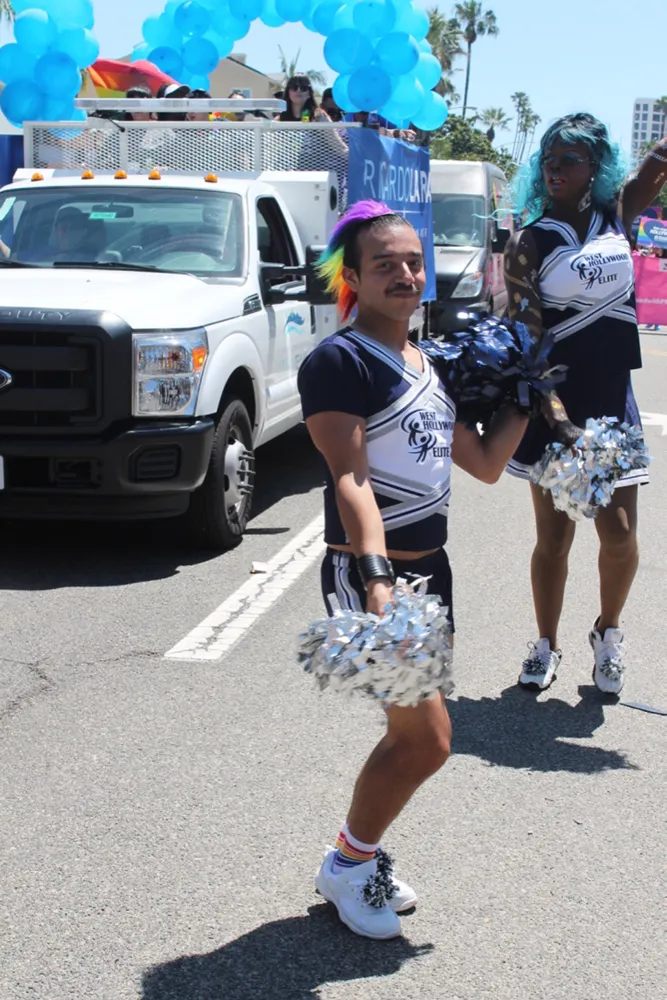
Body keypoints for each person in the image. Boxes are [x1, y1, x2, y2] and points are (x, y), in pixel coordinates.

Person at [297, 201, 530, 940]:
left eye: (412, 262)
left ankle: (352, 857)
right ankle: (348, 865)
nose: (404, 274)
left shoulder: (428, 365)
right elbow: (351, 477)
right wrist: (375, 579)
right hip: (371, 576)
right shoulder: (340, 362)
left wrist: (526, 396)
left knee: (414, 737)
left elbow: (484, 464)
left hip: (433, 574)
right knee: (426, 740)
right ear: (352, 278)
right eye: (384, 265)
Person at [505, 112, 664, 695]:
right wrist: (558, 419)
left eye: (569, 159)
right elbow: (528, 341)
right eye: (548, 159)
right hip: (556, 408)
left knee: (618, 535)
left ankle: (608, 633)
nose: (555, 168)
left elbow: (657, 164)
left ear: (595, 166)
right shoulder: (528, 242)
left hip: (612, 404)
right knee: (554, 538)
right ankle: (545, 644)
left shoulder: (617, 213)